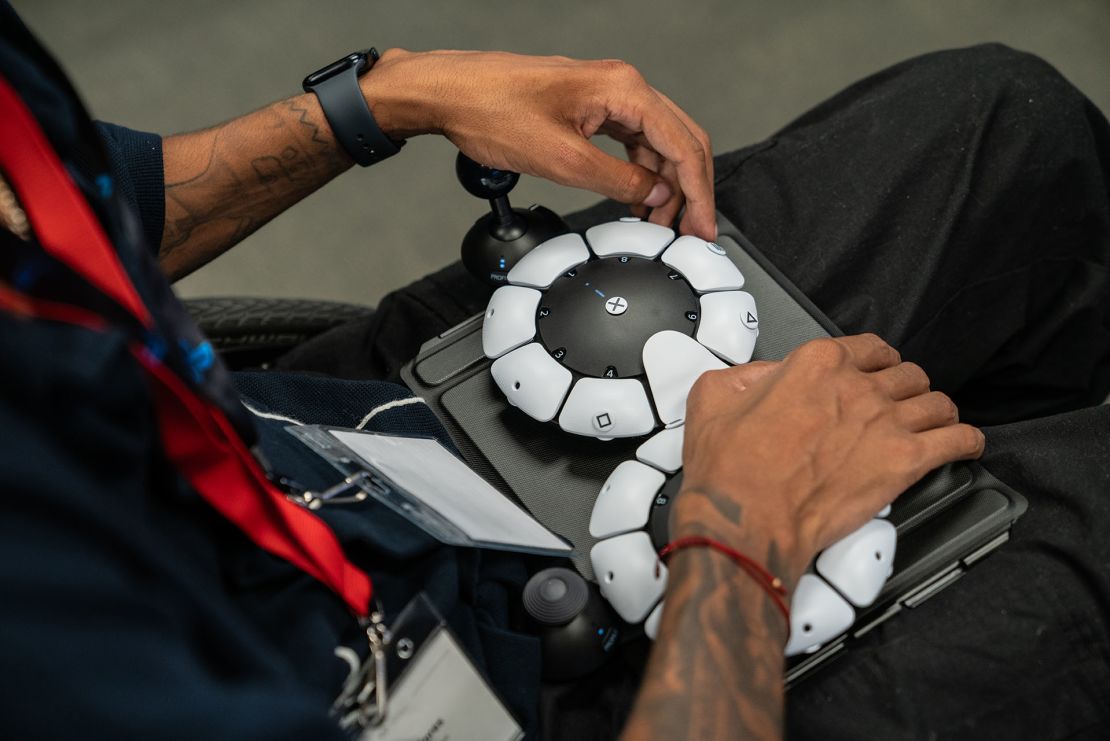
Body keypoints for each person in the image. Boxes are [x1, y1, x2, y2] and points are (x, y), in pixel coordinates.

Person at [2, 2, 1108, 738]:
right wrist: (738, 539)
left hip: (338, 441)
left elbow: (57, 212)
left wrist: (382, 99)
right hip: (483, 699)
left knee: (1012, 133)